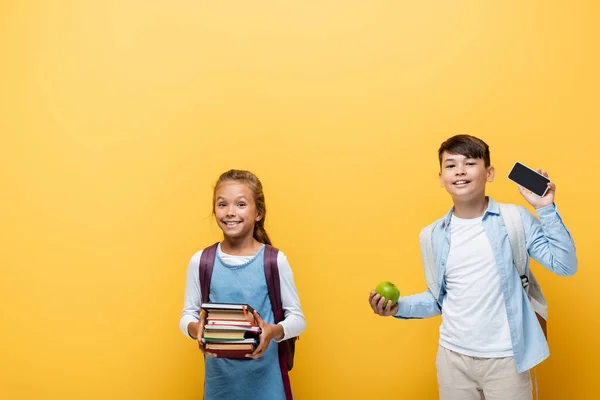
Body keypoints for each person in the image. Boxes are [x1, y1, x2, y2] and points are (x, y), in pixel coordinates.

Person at [369, 135, 577, 400]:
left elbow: (565, 265)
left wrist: (545, 210)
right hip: (452, 359)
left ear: (489, 173)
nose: (460, 171)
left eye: (470, 163)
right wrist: (399, 308)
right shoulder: (432, 235)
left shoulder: (516, 220)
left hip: (507, 358)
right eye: (451, 165)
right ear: (441, 177)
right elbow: (439, 300)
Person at [180, 169, 306, 399]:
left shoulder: (275, 261)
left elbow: (298, 320)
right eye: (222, 204)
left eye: (240, 204)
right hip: (219, 389)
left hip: (269, 388)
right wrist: (195, 329)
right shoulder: (201, 262)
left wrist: (273, 331)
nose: (230, 213)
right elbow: (187, 315)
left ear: (258, 212)